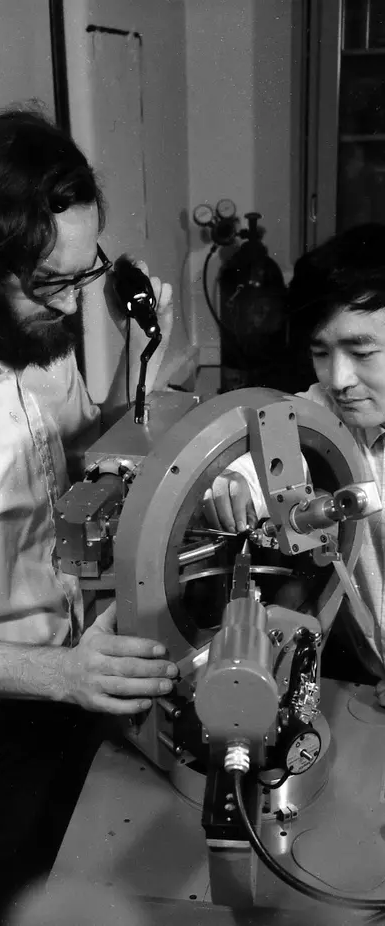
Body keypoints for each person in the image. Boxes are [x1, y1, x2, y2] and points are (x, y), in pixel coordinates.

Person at [0, 105, 178, 924]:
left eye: (90, 272)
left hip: (68, 687)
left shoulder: (40, 341)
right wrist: (61, 676)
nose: (72, 302)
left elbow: (76, 451)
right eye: (55, 281)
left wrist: (131, 355)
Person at [206, 223, 385, 690]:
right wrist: (236, 482)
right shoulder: (327, 408)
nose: (339, 378)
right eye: (321, 352)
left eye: (362, 351)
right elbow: (276, 447)